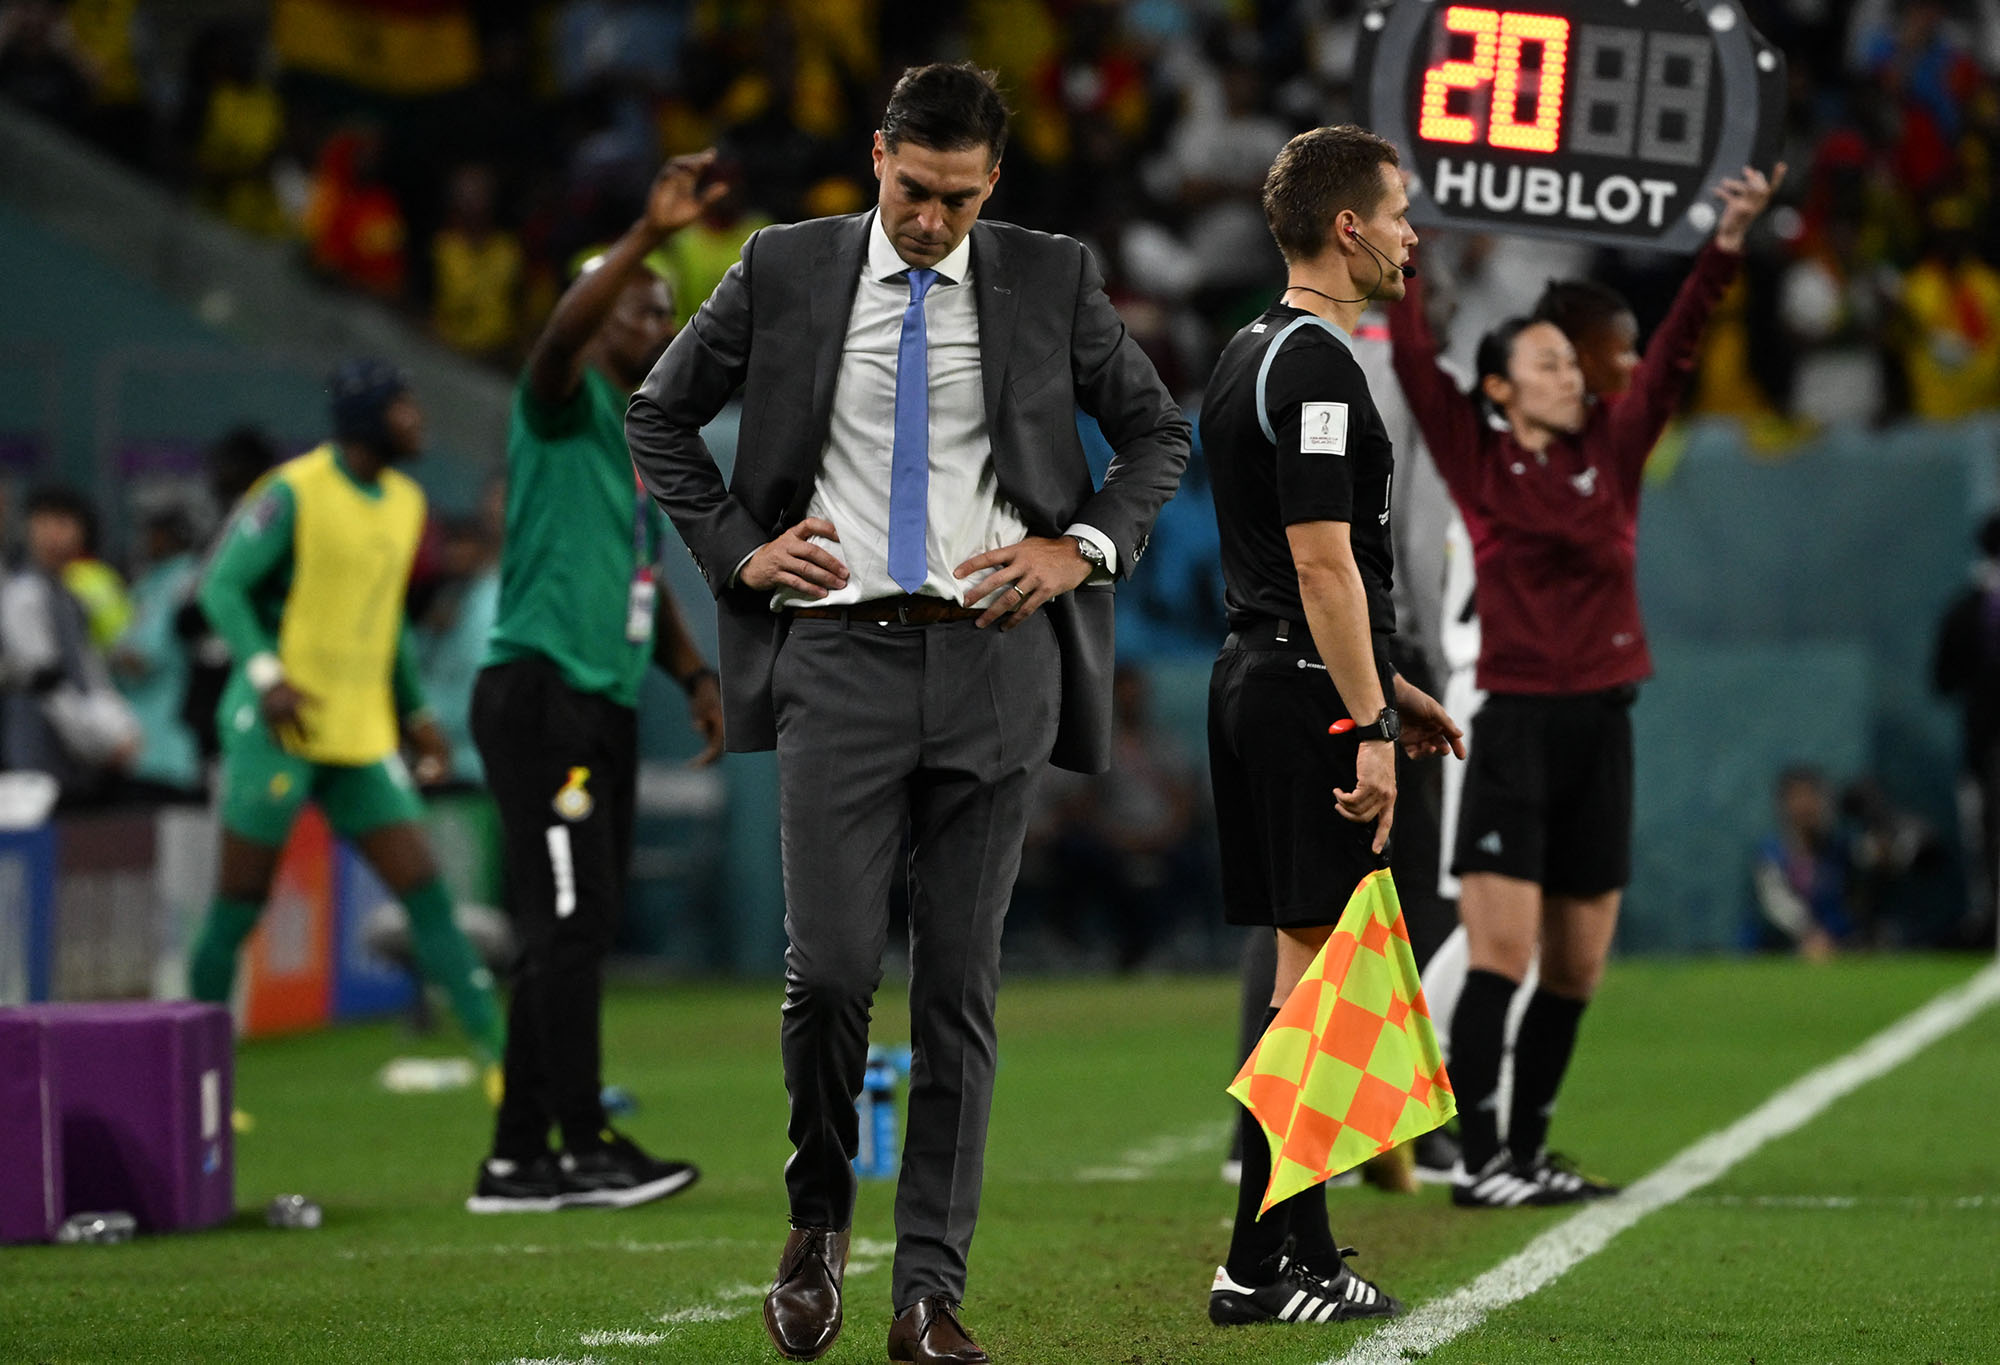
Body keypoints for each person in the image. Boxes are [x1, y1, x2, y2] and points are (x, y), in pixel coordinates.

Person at [628, 62, 1188, 1365]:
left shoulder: (1051, 276)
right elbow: (659, 415)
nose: (932, 220)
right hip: (836, 661)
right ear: (877, 155)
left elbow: (1155, 434)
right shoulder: (783, 268)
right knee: (829, 971)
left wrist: (1080, 549)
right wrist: (738, 550)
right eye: (913, 190)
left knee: (958, 989)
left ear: (994, 184)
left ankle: (928, 1293)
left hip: (996, 661)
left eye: (959, 199)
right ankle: (817, 1220)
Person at [1388, 164, 1783, 1209]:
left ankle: (1527, 1148)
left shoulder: (1613, 449)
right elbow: (1416, 357)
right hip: (1511, 725)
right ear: (1500, 389)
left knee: (1575, 968)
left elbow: (1677, 346)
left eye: (1572, 361)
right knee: (1499, 955)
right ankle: (1479, 1159)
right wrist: (1411, 247)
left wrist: (1725, 243)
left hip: (1603, 723)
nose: (1572, 375)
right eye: (1548, 362)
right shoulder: (1476, 459)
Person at [1198, 125, 1462, 1328]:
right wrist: (1366, 721)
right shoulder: (1316, 369)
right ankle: (1256, 1266)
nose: (1410, 236)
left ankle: (1293, 1254)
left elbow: (1289, 567)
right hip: (1302, 691)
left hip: (1263, 675)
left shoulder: (1244, 349)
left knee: (1313, 979)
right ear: (1347, 227)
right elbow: (1319, 564)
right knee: (1315, 990)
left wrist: (1384, 686)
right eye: (1396, 214)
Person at [468, 152, 725, 1216]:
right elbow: (557, 337)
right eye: (640, 307)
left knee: (573, 930)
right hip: (545, 697)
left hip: (601, 704)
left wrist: (691, 670)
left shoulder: (636, 439)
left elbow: (639, 582)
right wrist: (647, 237)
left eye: (666, 310)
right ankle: (583, 1146)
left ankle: (517, 1158)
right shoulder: (557, 404)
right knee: (568, 927)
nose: (658, 323)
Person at [186, 361, 505, 1078]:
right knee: (239, 903)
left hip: (358, 734)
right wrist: (267, 675)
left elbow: (385, 621)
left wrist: (415, 711)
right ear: (366, 417)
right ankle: (192, 1075)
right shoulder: (293, 491)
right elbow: (222, 587)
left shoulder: (407, 503)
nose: (419, 420)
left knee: (427, 892)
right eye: (404, 407)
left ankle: (503, 1063)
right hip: (277, 729)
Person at [110, 504, 205, 800]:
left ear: (173, 535)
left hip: (165, 747)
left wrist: (90, 653)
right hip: (140, 744)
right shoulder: (151, 580)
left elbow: (141, 660)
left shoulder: (184, 580)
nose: (146, 540)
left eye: (154, 532)